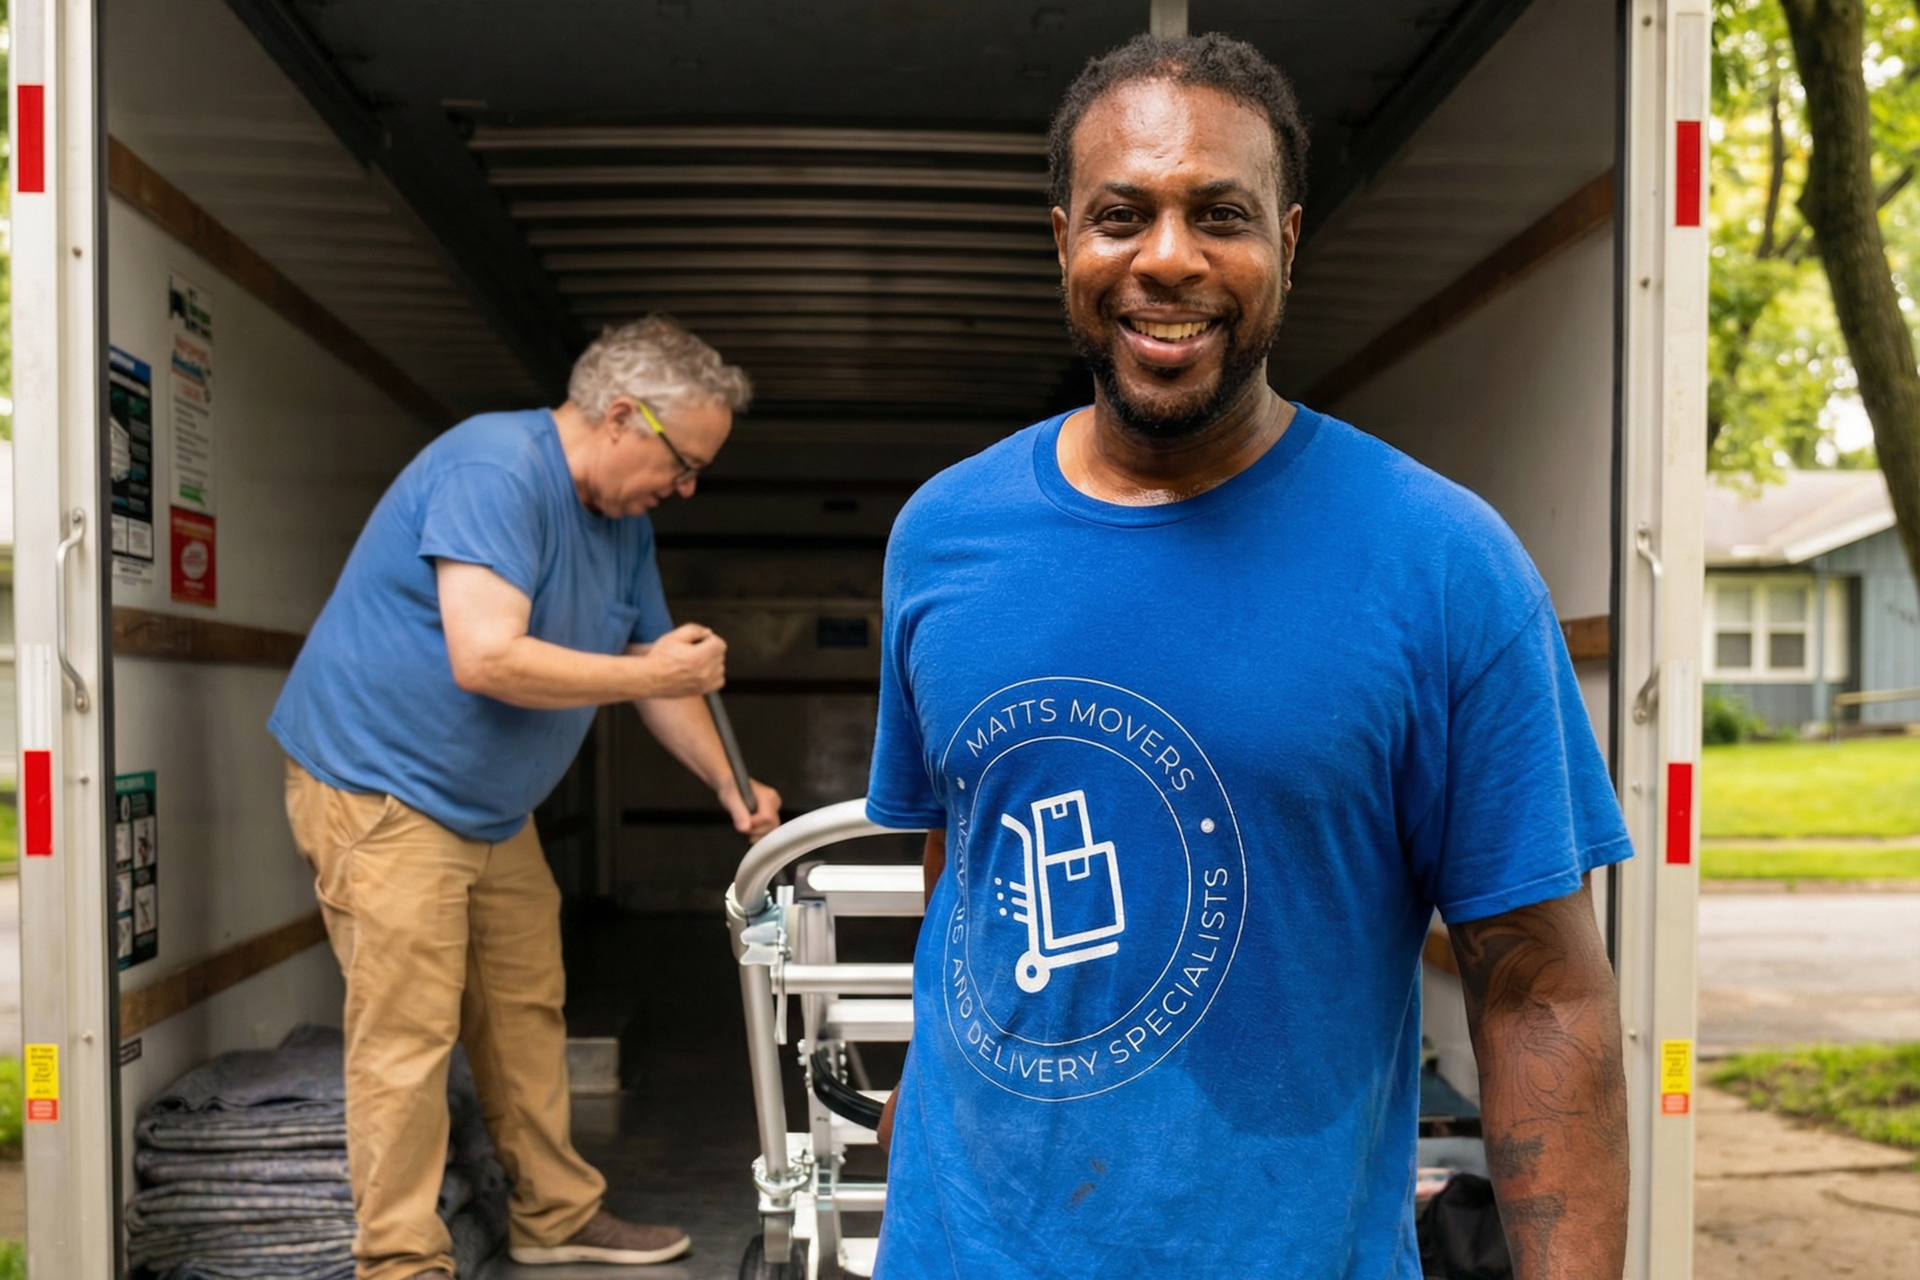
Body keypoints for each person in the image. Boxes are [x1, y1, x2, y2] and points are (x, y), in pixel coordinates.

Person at [866, 33, 1630, 1280]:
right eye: (1123, 214)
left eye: (1217, 213)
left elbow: (1542, 995)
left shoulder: (1442, 563)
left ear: (1285, 235)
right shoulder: (942, 534)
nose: (1167, 257)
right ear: (1064, 239)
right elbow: (968, 858)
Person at [269, 316, 782, 1279]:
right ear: (625, 416)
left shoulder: (622, 523)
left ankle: (554, 1216)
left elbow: (657, 670)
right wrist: (653, 675)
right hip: (383, 788)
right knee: (408, 1037)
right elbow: (487, 655)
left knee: (524, 1010)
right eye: (684, 464)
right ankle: (401, 1262)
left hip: (491, 809)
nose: (687, 488)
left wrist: (729, 783)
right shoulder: (493, 471)